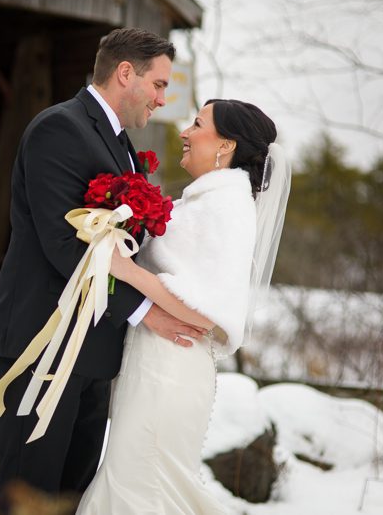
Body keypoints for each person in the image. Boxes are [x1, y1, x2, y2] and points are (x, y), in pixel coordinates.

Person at [0, 28, 208, 513]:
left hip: (94, 350)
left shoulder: (121, 144)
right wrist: (146, 312)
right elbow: (65, 245)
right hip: (44, 343)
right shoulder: (59, 129)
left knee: (72, 497)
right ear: (125, 73)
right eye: (158, 84)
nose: (161, 99)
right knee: (29, 492)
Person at [76, 99, 291, 514]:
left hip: (171, 370)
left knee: (144, 489)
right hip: (152, 363)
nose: (185, 133)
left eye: (197, 124)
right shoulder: (203, 202)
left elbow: (210, 314)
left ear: (225, 145)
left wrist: (127, 270)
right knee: (133, 481)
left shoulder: (228, 208)